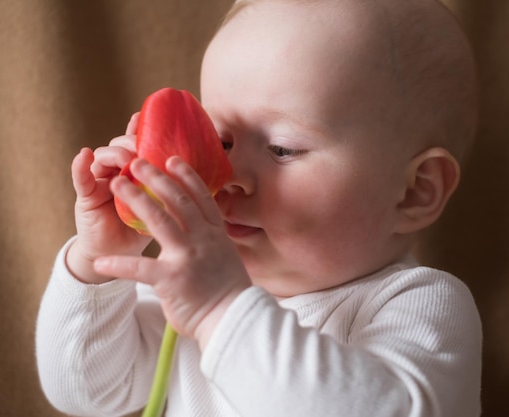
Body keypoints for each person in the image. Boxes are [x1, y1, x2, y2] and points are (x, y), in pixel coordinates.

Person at [36, 0, 482, 416]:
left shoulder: (420, 305)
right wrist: (101, 266)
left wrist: (222, 312)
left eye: (282, 149)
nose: (227, 173)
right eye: (219, 141)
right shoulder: (189, 282)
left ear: (415, 191)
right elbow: (84, 391)